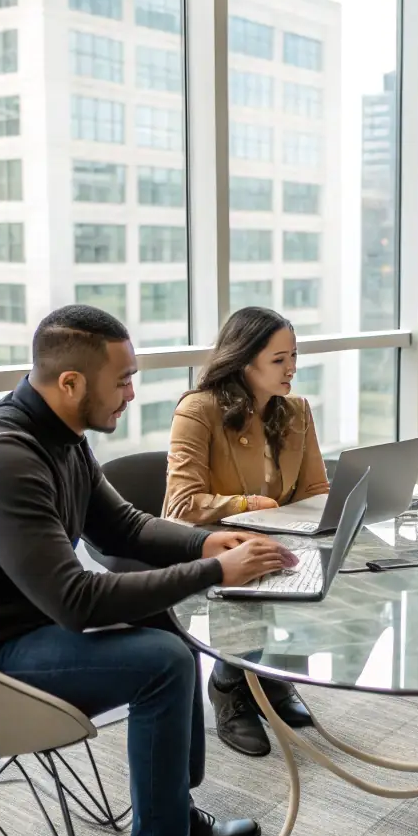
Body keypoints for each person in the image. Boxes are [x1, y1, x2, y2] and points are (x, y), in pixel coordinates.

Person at [0, 305, 296, 836]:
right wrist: (212, 569)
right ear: (70, 383)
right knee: (163, 661)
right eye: (123, 379)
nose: (132, 392)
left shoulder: (61, 437)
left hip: (9, 627)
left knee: (170, 618)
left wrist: (209, 539)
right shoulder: (2, 460)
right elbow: (75, 601)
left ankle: (172, 820)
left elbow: (122, 528)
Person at [162, 306, 329, 757]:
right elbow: (181, 503)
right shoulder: (198, 410)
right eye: (279, 359)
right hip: (213, 540)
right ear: (244, 359)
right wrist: (246, 504)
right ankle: (229, 685)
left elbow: (315, 489)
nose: (292, 368)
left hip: (279, 536)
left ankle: (272, 680)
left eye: (294, 355)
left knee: (327, 560)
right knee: (257, 561)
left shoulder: (296, 411)